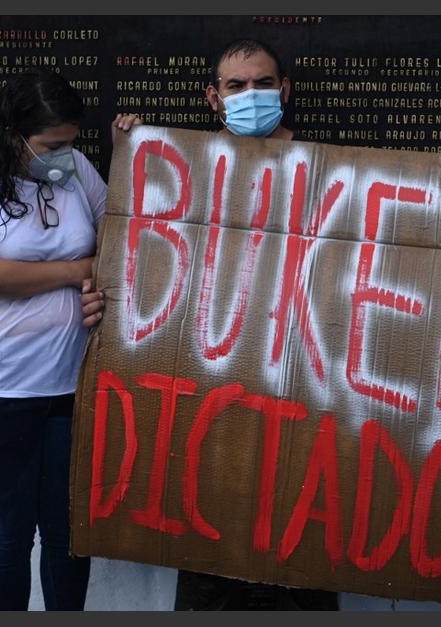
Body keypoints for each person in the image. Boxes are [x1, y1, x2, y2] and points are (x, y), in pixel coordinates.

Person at [82, 39, 337, 611]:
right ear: (213, 99)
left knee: (302, 557)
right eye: (235, 86)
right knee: (210, 552)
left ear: (285, 90)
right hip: (206, 396)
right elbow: (140, 264)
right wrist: (107, 300)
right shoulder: (176, 170)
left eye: (263, 83)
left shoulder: (336, 169)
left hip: (304, 394)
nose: (251, 95)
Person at [0, 67, 107, 610]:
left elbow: (122, 239)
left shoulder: (75, 169)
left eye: (71, 142)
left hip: (71, 389)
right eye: (52, 145)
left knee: (68, 540)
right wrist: (77, 269)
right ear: (14, 136)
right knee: (8, 539)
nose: (64, 154)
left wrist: (141, 149)